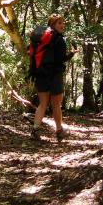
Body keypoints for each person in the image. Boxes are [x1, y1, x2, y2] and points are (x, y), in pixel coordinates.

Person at [31, 13, 75, 142]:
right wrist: (71, 54)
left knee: (43, 104)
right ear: (53, 25)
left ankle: (35, 130)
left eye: (63, 22)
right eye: (59, 23)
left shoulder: (40, 39)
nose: (62, 25)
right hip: (54, 75)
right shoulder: (59, 40)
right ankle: (59, 131)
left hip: (40, 74)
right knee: (56, 104)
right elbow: (60, 59)